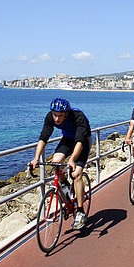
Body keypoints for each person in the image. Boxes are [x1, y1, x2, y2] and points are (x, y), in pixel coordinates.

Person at [30, 98, 91, 230]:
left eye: (60, 116)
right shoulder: (50, 117)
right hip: (68, 139)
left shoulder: (78, 117)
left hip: (83, 141)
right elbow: (43, 138)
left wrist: (72, 159)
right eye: (55, 115)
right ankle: (65, 186)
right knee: (56, 161)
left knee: (76, 174)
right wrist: (35, 158)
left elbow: (80, 141)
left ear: (66, 113)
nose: (57, 119)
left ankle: (80, 211)